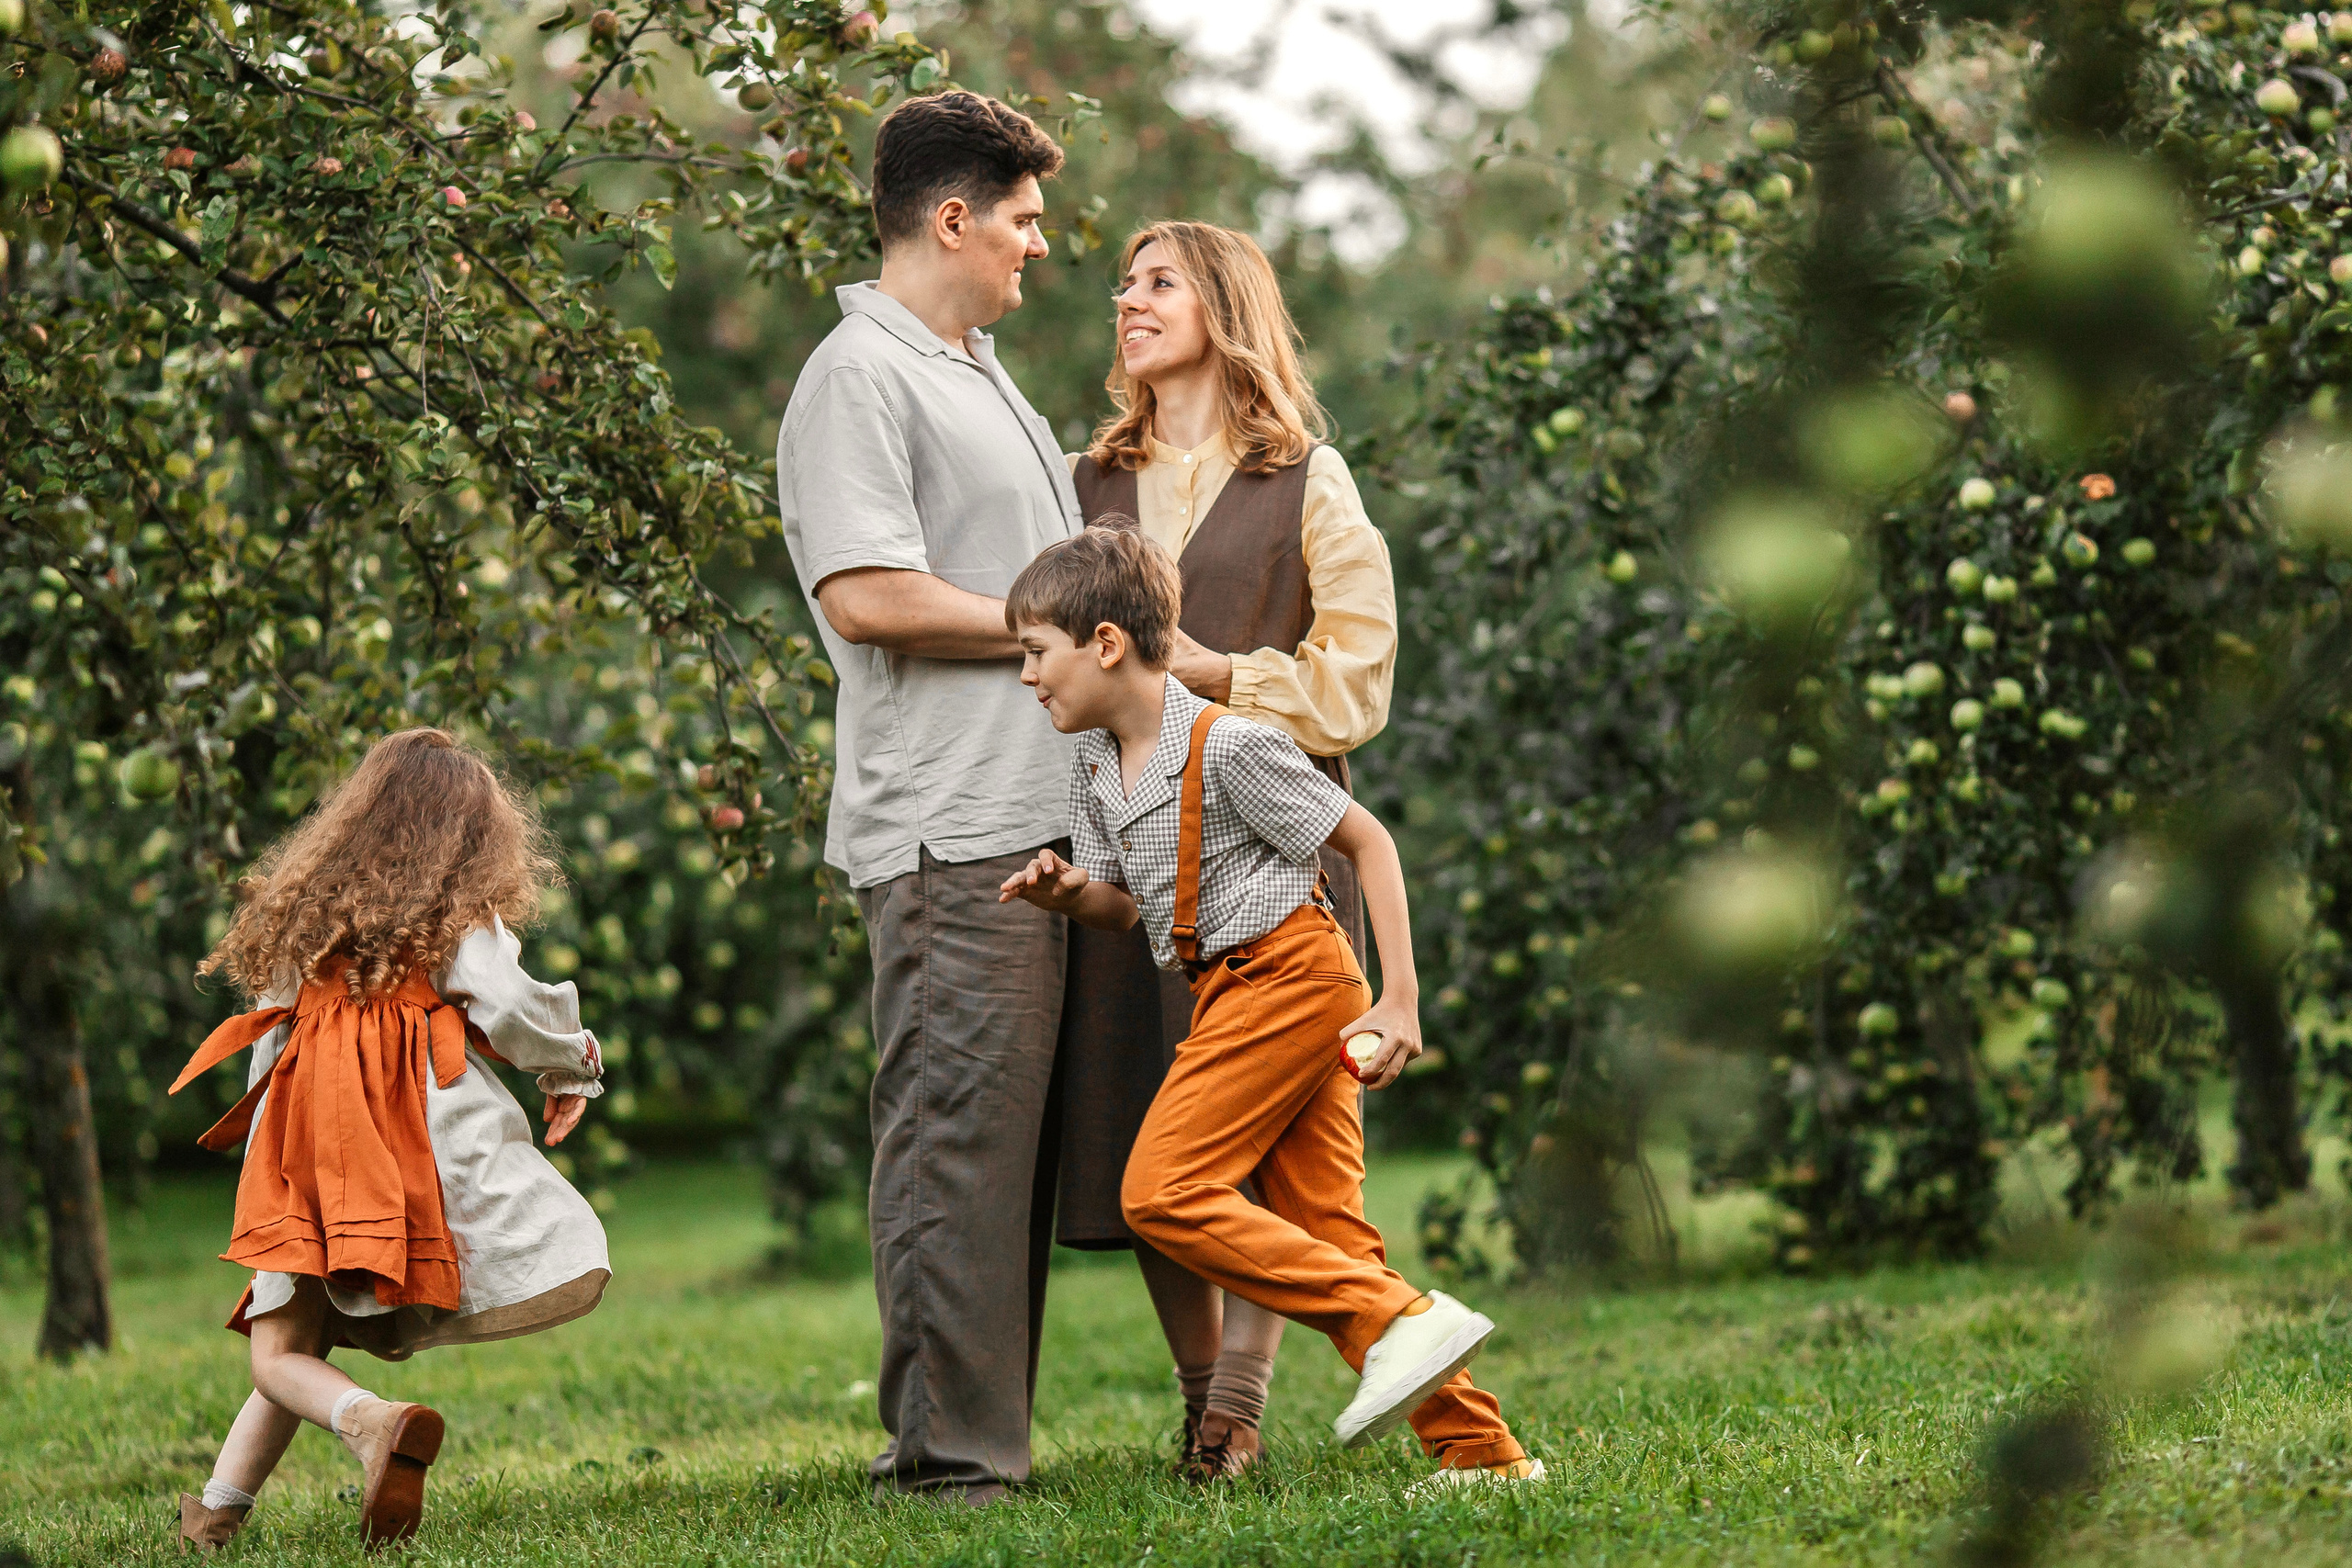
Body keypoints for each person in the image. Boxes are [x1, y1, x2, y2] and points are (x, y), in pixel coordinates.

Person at [999, 527, 1544, 1492]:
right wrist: (1066, 894)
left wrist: (1400, 1001)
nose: (1027, 675)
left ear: (1108, 644)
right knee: (1332, 1232)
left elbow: (1367, 842)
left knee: (1160, 1192)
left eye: (1037, 652)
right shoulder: (1093, 766)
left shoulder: (1232, 745)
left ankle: (1397, 1323)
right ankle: (1482, 1456)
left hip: (1293, 978)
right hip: (1224, 991)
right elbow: (1125, 902)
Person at [774, 89, 1081, 1506]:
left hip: (1037, 821)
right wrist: (1051, 627)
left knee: (1004, 1154)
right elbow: (869, 591)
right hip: (947, 828)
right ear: (951, 217)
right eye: (1023, 221)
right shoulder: (861, 374)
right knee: (953, 1138)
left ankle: (975, 1438)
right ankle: (951, 1460)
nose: (1040, 247)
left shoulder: (980, 373)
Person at [1052, 220, 1397, 1480]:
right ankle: (1201, 1395)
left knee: (1262, 1130)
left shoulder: (1310, 476)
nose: (1125, 299)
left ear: (1223, 303)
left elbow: (1357, 681)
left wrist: (1222, 675)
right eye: (1123, 283)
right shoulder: (1086, 482)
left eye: (1157, 282)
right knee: (1152, 1103)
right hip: (1140, 853)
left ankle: (1242, 1404)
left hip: (1276, 852)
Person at [167, 728, 609, 1551]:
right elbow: (509, 1005)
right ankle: (224, 1511)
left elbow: (269, 1043)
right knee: (289, 1345)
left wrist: (271, 1146)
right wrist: (572, 1066)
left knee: (283, 1348)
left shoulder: (304, 911)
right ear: (474, 837)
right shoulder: (454, 913)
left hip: (305, 1134)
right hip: (400, 1135)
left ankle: (358, 1431)